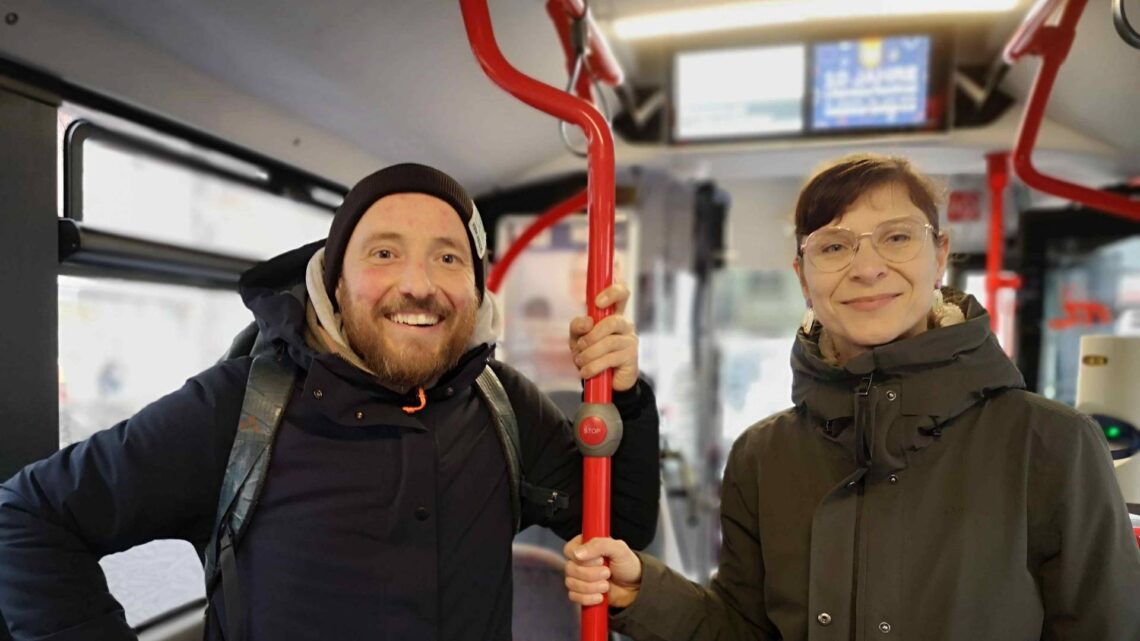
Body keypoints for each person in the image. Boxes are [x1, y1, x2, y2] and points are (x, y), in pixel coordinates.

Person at [0, 163, 660, 641]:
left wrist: (624, 396)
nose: (418, 284)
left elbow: (619, 525)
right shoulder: (244, 406)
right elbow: (28, 515)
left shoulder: (499, 403)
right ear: (333, 282)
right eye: (383, 252)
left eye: (449, 258)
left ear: (477, 290)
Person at [563, 154, 1140, 640]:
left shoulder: (1051, 444)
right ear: (802, 276)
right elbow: (743, 628)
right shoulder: (763, 456)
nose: (867, 268)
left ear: (939, 256)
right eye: (834, 247)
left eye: (896, 237)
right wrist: (643, 588)